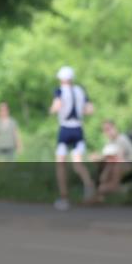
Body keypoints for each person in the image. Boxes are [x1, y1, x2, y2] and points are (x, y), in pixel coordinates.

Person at [50, 66, 96, 210]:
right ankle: (89, 186)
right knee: (77, 163)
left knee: (60, 164)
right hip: (78, 129)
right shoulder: (80, 90)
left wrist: (52, 110)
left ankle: (64, 197)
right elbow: (90, 110)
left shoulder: (59, 91)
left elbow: (56, 107)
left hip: (65, 129)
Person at [88, 119, 132, 202]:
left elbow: (119, 159)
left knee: (113, 165)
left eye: (108, 129)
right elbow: (107, 157)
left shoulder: (121, 139)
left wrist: (105, 172)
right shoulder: (109, 142)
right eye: (105, 130)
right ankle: (100, 193)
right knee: (103, 166)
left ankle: (114, 189)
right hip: (117, 166)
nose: (107, 132)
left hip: (131, 165)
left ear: (114, 128)